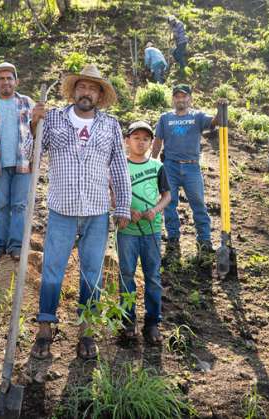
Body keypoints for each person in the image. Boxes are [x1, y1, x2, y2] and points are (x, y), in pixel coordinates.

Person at [29, 64, 132, 361]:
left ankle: (87, 331)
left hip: (97, 211)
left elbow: (119, 168)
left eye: (93, 88)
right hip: (62, 208)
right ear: (74, 90)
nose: (86, 92)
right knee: (52, 269)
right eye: (82, 87)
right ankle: (45, 328)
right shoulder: (54, 119)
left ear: (100, 95)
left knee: (92, 273)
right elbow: (29, 154)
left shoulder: (110, 125)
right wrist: (34, 125)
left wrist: (122, 204)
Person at [151, 84, 226, 257]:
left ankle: (204, 239)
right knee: (169, 203)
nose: (180, 99)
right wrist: (153, 163)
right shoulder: (165, 118)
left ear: (190, 99)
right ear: (173, 99)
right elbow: (157, 141)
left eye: (184, 96)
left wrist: (220, 110)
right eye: (177, 96)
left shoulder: (197, 116)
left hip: (192, 166)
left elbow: (216, 122)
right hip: (170, 165)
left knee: (198, 202)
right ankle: (173, 238)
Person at [117, 121, 171, 344]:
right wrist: (127, 210)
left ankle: (152, 323)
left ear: (151, 143)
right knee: (126, 274)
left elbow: (167, 195)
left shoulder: (158, 166)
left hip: (152, 230)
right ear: (127, 140)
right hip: (127, 230)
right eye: (136, 137)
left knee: (153, 276)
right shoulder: (120, 166)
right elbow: (113, 193)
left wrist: (155, 210)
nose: (141, 142)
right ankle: (128, 321)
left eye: (146, 139)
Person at [0, 62, 36, 260]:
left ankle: (16, 246)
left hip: (23, 164)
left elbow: (37, 132)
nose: (5, 82)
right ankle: (1, 246)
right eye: (1, 78)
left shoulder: (27, 103)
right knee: (2, 205)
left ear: (16, 81)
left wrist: (37, 158)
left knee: (19, 205)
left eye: (9, 78)